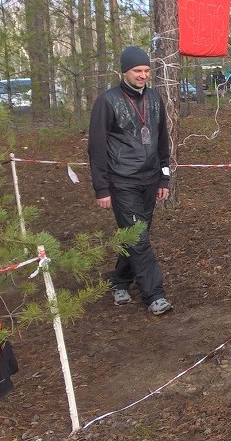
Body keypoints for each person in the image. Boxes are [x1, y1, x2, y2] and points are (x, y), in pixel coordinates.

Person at [87, 46, 173, 316]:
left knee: (135, 236)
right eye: (137, 70)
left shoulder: (155, 99)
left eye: (147, 70)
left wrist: (164, 178)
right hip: (122, 181)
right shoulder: (107, 102)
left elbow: (162, 140)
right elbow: (97, 148)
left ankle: (120, 281)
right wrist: (101, 187)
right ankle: (154, 295)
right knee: (138, 237)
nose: (143, 75)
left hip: (150, 179)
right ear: (124, 71)